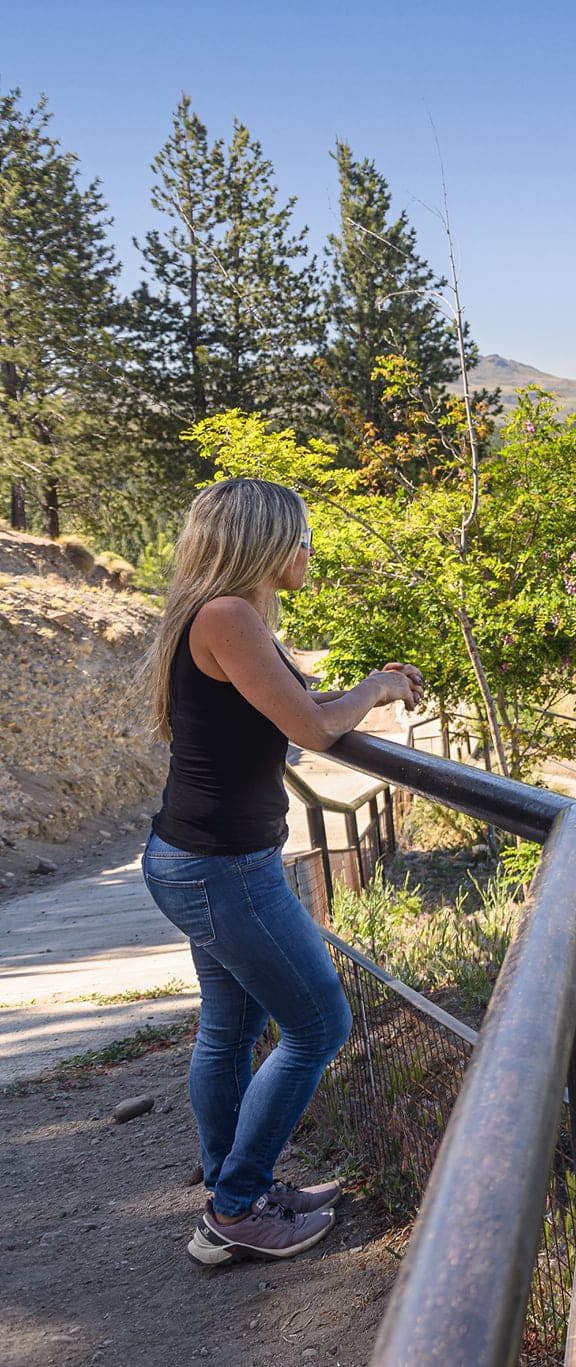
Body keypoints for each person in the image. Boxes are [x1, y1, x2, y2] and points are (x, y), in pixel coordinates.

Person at [140, 478, 423, 1265]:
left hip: (199, 858)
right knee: (319, 1023)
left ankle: (239, 1186)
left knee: (231, 1029)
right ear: (265, 541)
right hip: (221, 867)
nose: (309, 551)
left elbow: (289, 708)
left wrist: (359, 689)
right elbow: (313, 731)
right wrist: (376, 688)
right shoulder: (229, 615)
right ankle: (236, 1207)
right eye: (300, 536)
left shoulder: (233, 617)